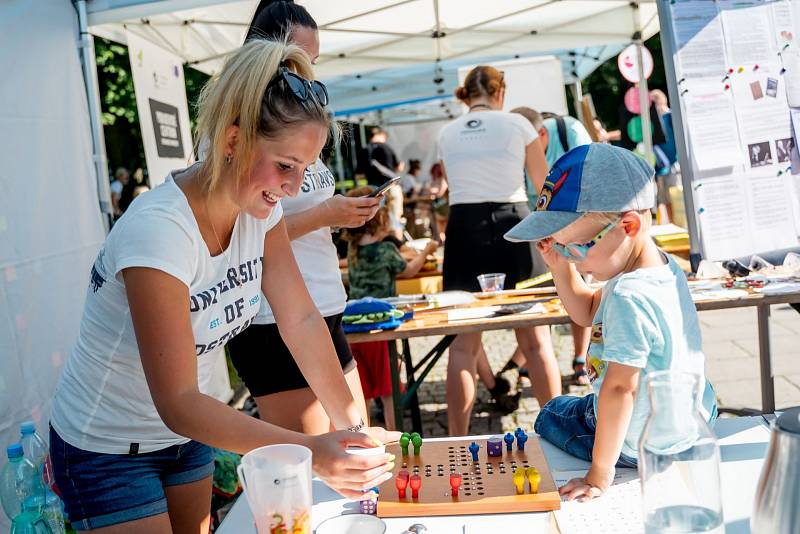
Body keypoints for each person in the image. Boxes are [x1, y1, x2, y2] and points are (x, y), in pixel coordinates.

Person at [49, 40, 397, 533]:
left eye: (305, 169)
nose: (294, 188)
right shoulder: (159, 231)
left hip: (189, 433)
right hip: (108, 445)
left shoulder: (261, 211)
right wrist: (312, 454)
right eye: (284, 165)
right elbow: (177, 401)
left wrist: (351, 429)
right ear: (231, 141)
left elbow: (299, 319)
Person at [505, 143, 717, 501]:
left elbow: (621, 389)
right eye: (561, 247)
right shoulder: (661, 267)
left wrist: (599, 475)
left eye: (576, 247)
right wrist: (559, 267)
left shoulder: (627, 295)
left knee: (552, 412)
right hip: (694, 419)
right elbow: (587, 312)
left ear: (629, 225)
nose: (570, 258)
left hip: (642, 443)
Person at [226, 0, 382, 436]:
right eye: (296, 61)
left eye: (311, 62)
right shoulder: (237, 139)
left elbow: (285, 217)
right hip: (269, 320)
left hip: (321, 306)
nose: (305, 73)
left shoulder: (296, 124)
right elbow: (239, 239)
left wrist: (337, 213)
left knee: (354, 441)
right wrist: (321, 215)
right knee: (317, 460)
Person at [437, 65, 561, 436]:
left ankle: (456, 440)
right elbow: (545, 187)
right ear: (500, 92)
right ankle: (556, 432)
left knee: (463, 345)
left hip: (463, 230)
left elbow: (450, 184)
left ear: (467, 95)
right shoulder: (518, 125)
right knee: (536, 341)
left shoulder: (446, 133)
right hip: (515, 224)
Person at [341, 186, 439, 430]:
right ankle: (394, 433)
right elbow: (408, 271)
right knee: (389, 389)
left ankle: (364, 433)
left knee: (361, 388)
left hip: (353, 327)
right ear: (382, 220)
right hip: (381, 326)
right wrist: (426, 251)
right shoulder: (386, 250)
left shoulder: (354, 249)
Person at [511, 106, 593, 386]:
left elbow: (590, 175)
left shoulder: (569, 132)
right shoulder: (519, 143)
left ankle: (581, 357)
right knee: (546, 289)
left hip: (577, 217)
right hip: (542, 219)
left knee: (580, 284)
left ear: (542, 134)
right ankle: (529, 357)